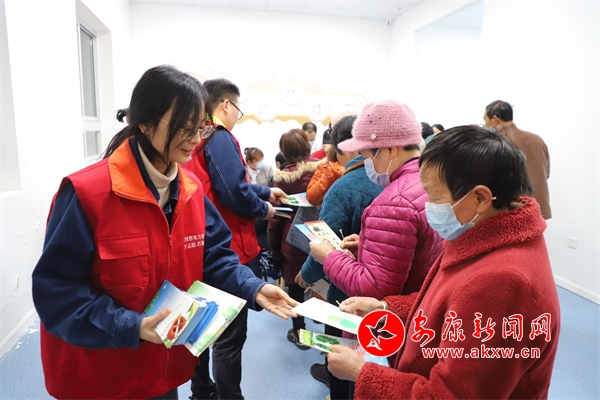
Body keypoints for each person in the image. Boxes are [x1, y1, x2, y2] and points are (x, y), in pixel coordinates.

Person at [31, 65, 299, 400]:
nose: (195, 141)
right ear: (145, 123)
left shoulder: (191, 191)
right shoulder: (87, 194)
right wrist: (131, 326)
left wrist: (253, 287)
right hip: (101, 375)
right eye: (185, 129)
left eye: (200, 128)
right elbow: (57, 294)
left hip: (161, 367)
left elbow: (215, 256)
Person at [327, 125, 561, 400]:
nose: (429, 206)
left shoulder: (502, 283)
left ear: (480, 198)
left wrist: (362, 374)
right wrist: (386, 307)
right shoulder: (485, 237)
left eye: (435, 197)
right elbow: (448, 305)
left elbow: (452, 395)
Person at [183, 78, 286, 400]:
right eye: (237, 111)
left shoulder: (197, 137)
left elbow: (221, 183)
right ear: (226, 104)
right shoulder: (220, 136)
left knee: (199, 329)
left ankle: (202, 391)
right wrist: (264, 208)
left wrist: (265, 190)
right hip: (228, 249)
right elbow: (234, 192)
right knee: (229, 337)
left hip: (198, 245)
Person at [309, 100, 443, 302]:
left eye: (366, 156)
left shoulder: (394, 202)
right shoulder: (428, 181)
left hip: (388, 318)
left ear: (390, 150)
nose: (366, 164)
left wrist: (329, 257)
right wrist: (366, 245)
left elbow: (372, 290)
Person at [296, 115, 383, 398]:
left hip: (347, 287)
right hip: (386, 294)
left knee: (340, 352)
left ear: (342, 147)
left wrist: (306, 275)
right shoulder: (391, 179)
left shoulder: (345, 187)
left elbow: (327, 242)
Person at [268, 129, 320, 349]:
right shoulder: (323, 169)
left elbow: (277, 216)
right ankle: (327, 332)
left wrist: (272, 246)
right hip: (320, 233)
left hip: (292, 237)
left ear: (285, 151)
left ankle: (301, 333)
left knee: (295, 286)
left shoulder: (284, 178)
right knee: (322, 281)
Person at [484, 100, 551, 219]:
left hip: (513, 210)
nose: (485, 125)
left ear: (495, 119)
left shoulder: (497, 143)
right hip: (538, 209)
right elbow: (546, 174)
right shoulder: (536, 140)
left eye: (485, 120)